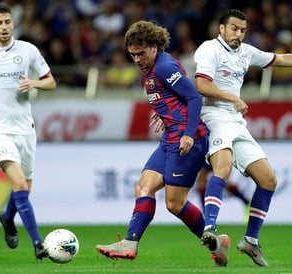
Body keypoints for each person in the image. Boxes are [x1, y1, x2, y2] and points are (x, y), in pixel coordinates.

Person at [193, 9, 292, 267]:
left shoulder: (246, 52)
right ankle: (210, 228)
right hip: (214, 116)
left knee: (268, 180)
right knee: (223, 168)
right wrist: (233, 98)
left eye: (242, 30)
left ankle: (250, 240)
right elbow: (202, 85)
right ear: (221, 29)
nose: (238, 34)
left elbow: (282, 59)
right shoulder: (210, 49)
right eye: (234, 29)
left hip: (236, 122)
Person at [95, 20, 230, 267]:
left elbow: (193, 97)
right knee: (143, 188)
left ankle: (217, 243)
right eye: (132, 54)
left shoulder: (164, 66)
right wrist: (164, 112)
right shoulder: (153, 66)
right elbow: (174, 94)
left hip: (187, 140)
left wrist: (188, 133)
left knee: (174, 204)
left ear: (154, 47)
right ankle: (130, 242)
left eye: (141, 53)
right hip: (169, 137)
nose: (136, 59)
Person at [0, 3, 57, 260]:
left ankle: (7, 218)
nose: (4, 27)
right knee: (17, 183)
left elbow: (51, 81)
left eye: (7, 22)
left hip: (25, 129)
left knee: (24, 188)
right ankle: (39, 243)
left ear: (12, 24)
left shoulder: (28, 51)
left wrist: (35, 82)